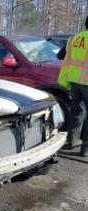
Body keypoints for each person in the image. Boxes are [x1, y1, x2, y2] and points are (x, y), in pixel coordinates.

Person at [58, 16, 88, 157]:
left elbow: (60, 55)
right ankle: (85, 148)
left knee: (77, 112)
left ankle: (71, 142)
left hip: (75, 81)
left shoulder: (74, 38)